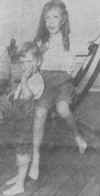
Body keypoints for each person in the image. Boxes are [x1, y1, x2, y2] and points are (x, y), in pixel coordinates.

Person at [2, 0, 87, 195]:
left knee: (63, 109)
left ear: (63, 19)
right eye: (47, 17)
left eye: (55, 17)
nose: (50, 21)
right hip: (45, 83)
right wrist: (31, 65)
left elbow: (76, 62)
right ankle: (36, 160)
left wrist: (72, 66)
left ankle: (76, 135)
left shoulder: (70, 40)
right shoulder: (41, 42)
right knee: (39, 112)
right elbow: (31, 63)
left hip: (64, 83)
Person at [2, 42, 44, 196]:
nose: (24, 65)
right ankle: (20, 175)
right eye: (22, 61)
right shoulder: (28, 77)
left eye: (28, 61)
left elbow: (27, 96)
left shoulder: (36, 79)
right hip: (18, 120)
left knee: (22, 152)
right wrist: (14, 93)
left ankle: (20, 184)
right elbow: (19, 94)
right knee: (19, 150)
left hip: (27, 123)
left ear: (38, 62)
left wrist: (24, 81)